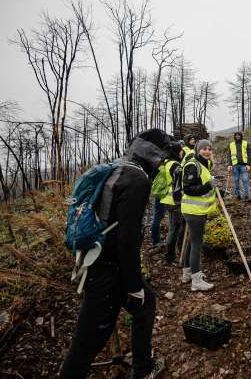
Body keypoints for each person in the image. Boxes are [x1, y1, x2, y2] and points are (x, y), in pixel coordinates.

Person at [61, 129, 168, 379]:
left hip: (100, 262)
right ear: (152, 155)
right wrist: (133, 285)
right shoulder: (137, 180)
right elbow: (127, 238)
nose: (162, 163)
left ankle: (142, 369)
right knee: (87, 343)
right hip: (107, 272)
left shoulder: (119, 169)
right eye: (161, 157)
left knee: (146, 305)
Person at [180, 139, 217, 291]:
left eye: (209, 148)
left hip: (198, 211)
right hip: (193, 211)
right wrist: (208, 186)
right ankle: (196, 280)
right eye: (204, 149)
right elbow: (188, 189)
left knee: (191, 242)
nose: (207, 151)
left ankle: (187, 273)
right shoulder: (192, 165)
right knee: (197, 244)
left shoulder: (202, 165)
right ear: (197, 150)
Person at [159, 142, 185, 265]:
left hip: (166, 199)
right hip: (175, 201)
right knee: (175, 229)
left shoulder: (166, 163)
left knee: (173, 228)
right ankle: (170, 257)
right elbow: (180, 185)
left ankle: (173, 254)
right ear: (175, 151)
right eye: (180, 150)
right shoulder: (175, 165)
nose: (182, 152)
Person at [226, 131, 251, 201]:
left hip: (244, 165)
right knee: (236, 180)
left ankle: (246, 196)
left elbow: (249, 154)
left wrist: (248, 164)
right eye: (236, 135)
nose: (237, 136)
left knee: (245, 180)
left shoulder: (245, 143)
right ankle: (238, 195)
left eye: (239, 135)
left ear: (241, 136)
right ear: (234, 136)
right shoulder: (231, 144)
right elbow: (229, 155)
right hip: (235, 165)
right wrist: (229, 165)